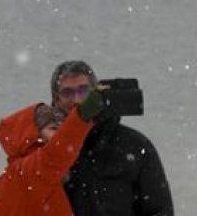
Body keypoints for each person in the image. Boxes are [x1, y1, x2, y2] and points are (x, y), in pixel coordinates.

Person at [51, 60, 174, 216]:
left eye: (83, 91)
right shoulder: (44, 150)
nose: (76, 100)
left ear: (97, 93)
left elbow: (160, 211)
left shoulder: (135, 146)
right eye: (67, 93)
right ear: (56, 100)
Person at [0, 89, 105, 216]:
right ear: (33, 133)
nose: (59, 134)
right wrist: (82, 115)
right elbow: (56, 154)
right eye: (53, 128)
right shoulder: (28, 172)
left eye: (62, 128)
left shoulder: (6, 181)